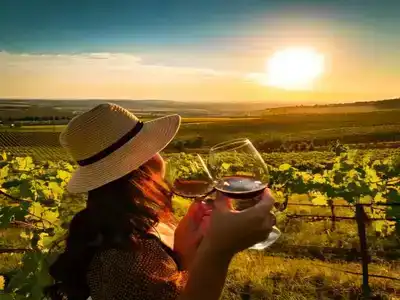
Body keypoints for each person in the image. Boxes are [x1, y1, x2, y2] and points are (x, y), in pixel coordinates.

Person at [45, 103, 276, 300]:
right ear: (146, 161)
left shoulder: (135, 218)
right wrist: (219, 250)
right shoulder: (123, 257)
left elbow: (174, 288)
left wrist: (183, 252)